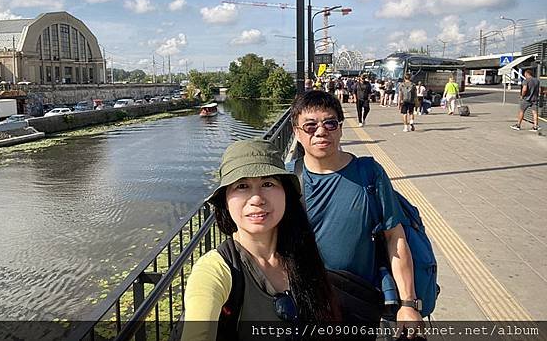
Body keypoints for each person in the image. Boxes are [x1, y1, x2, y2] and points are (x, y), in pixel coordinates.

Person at [289, 91, 424, 335]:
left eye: (330, 123)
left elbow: (395, 236)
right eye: (310, 126)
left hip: (359, 299)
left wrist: (408, 303)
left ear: (340, 128)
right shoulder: (286, 179)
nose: (321, 132)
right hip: (305, 301)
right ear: (296, 132)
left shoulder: (369, 174)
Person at [181, 139, 338, 341]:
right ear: (225, 201)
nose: (257, 199)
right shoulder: (214, 270)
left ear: (286, 194)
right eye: (242, 186)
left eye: (267, 184)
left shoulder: (302, 253)